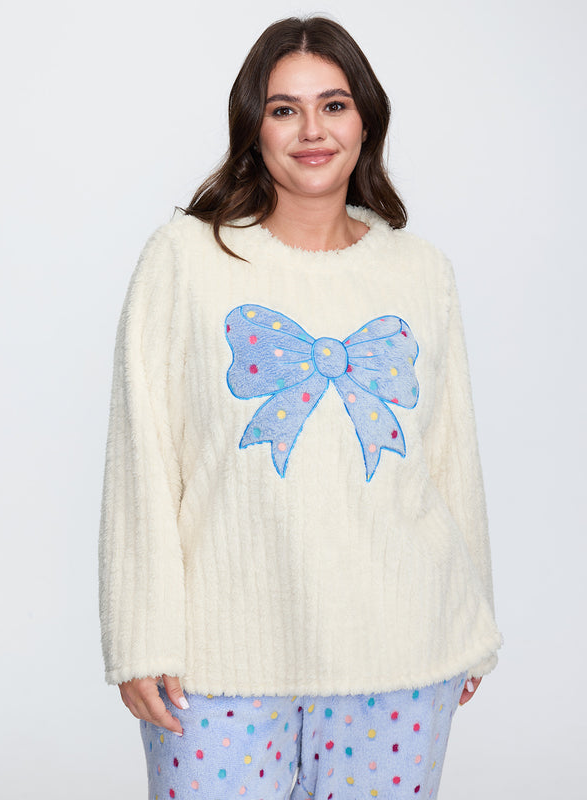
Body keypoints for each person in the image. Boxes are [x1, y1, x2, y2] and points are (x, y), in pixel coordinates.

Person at [99, 16, 502, 800]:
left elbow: (452, 456)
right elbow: (141, 458)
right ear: (254, 128)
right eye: (285, 109)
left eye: (334, 105)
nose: (312, 130)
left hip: (402, 655)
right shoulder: (185, 260)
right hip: (219, 661)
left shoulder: (422, 272)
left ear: (366, 120)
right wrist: (140, 634)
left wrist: (472, 621)